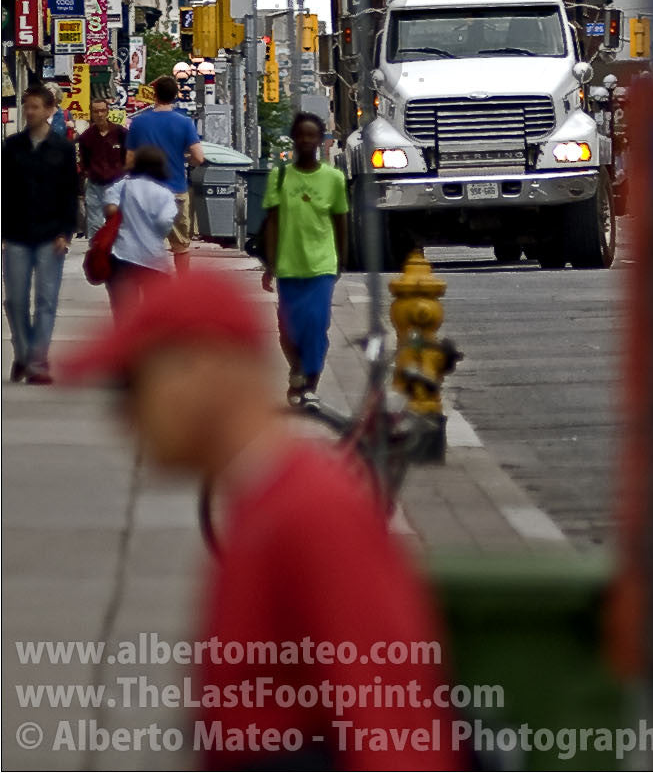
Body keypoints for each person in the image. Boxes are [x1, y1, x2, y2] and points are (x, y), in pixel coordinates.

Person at [62, 265, 468, 773]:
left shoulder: (310, 511)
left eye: (130, 385)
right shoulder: (262, 502)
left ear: (203, 366)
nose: (124, 416)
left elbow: (392, 723)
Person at [262, 111, 348, 405]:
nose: (307, 140)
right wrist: (270, 263)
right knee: (288, 329)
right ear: (294, 139)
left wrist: (342, 259)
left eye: (313, 135)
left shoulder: (334, 179)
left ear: (320, 139)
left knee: (317, 324)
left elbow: (340, 221)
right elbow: (271, 221)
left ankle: (310, 383)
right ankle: (296, 369)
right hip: (288, 264)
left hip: (322, 264)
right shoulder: (280, 176)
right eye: (302, 135)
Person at [2, 86, 79, 383]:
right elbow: (5, 192)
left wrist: (66, 231)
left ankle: (37, 361)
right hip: (17, 233)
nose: (30, 112)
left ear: (50, 110)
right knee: (15, 301)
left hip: (50, 234)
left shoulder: (62, 148)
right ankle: (22, 352)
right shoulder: (12, 146)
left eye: (35, 107)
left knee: (46, 299)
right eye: (27, 106)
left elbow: (70, 192)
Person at [126, 74, 204, 274]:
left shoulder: (138, 123)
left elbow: (129, 160)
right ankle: (183, 289)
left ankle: (148, 290)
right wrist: (184, 159)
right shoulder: (184, 122)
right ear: (176, 95)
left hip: (144, 193)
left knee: (146, 245)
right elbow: (199, 157)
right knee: (181, 247)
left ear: (154, 95)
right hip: (176, 189)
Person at [103, 146, 178, 317]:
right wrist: (156, 233)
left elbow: (110, 205)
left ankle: (125, 342)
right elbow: (164, 221)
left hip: (122, 255)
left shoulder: (123, 186)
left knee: (124, 313)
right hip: (154, 260)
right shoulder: (165, 194)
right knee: (155, 316)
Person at [78, 97, 126, 239]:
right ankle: (96, 253)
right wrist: (89, 173)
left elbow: (128, 156)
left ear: (107, 112)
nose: (99, 114)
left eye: (102, 111)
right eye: (96, 111)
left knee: (118, 222)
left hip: (117, 184)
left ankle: (118, 254)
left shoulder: (120, 133)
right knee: (95, 223)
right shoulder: (86, 137)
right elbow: (84, 161)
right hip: (95, 184)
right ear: (91, 113)